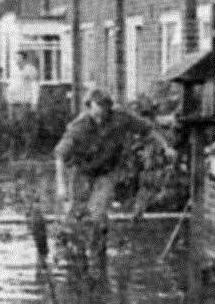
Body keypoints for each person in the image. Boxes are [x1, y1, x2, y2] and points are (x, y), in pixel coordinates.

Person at [54, 87, 175, 274]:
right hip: (82, 172)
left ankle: (98, 258)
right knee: (75, 212)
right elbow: (60, 156)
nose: (101, 118)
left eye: (104, 112)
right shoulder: (78, 127)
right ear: (89, 108)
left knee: (97, 213)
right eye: (97, 112)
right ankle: (72, 254)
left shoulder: (121, 117)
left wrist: (165, 147)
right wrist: (61, 186)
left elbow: (147, 130)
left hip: (107, 172)